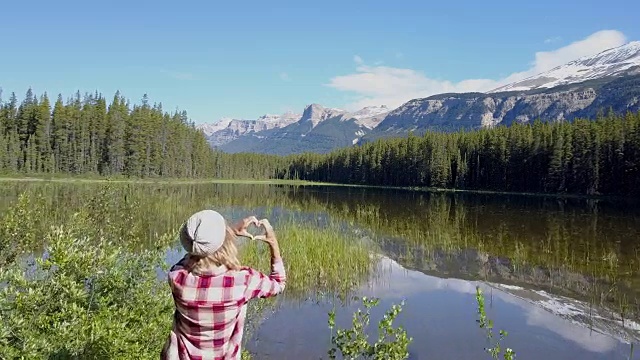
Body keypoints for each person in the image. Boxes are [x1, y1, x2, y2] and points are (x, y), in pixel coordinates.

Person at [161, 209, 286, 360]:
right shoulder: (242, 281)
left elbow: (192, 258)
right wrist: (273, 243)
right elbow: (278, 283)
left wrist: (229, 233)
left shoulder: (177, 277)